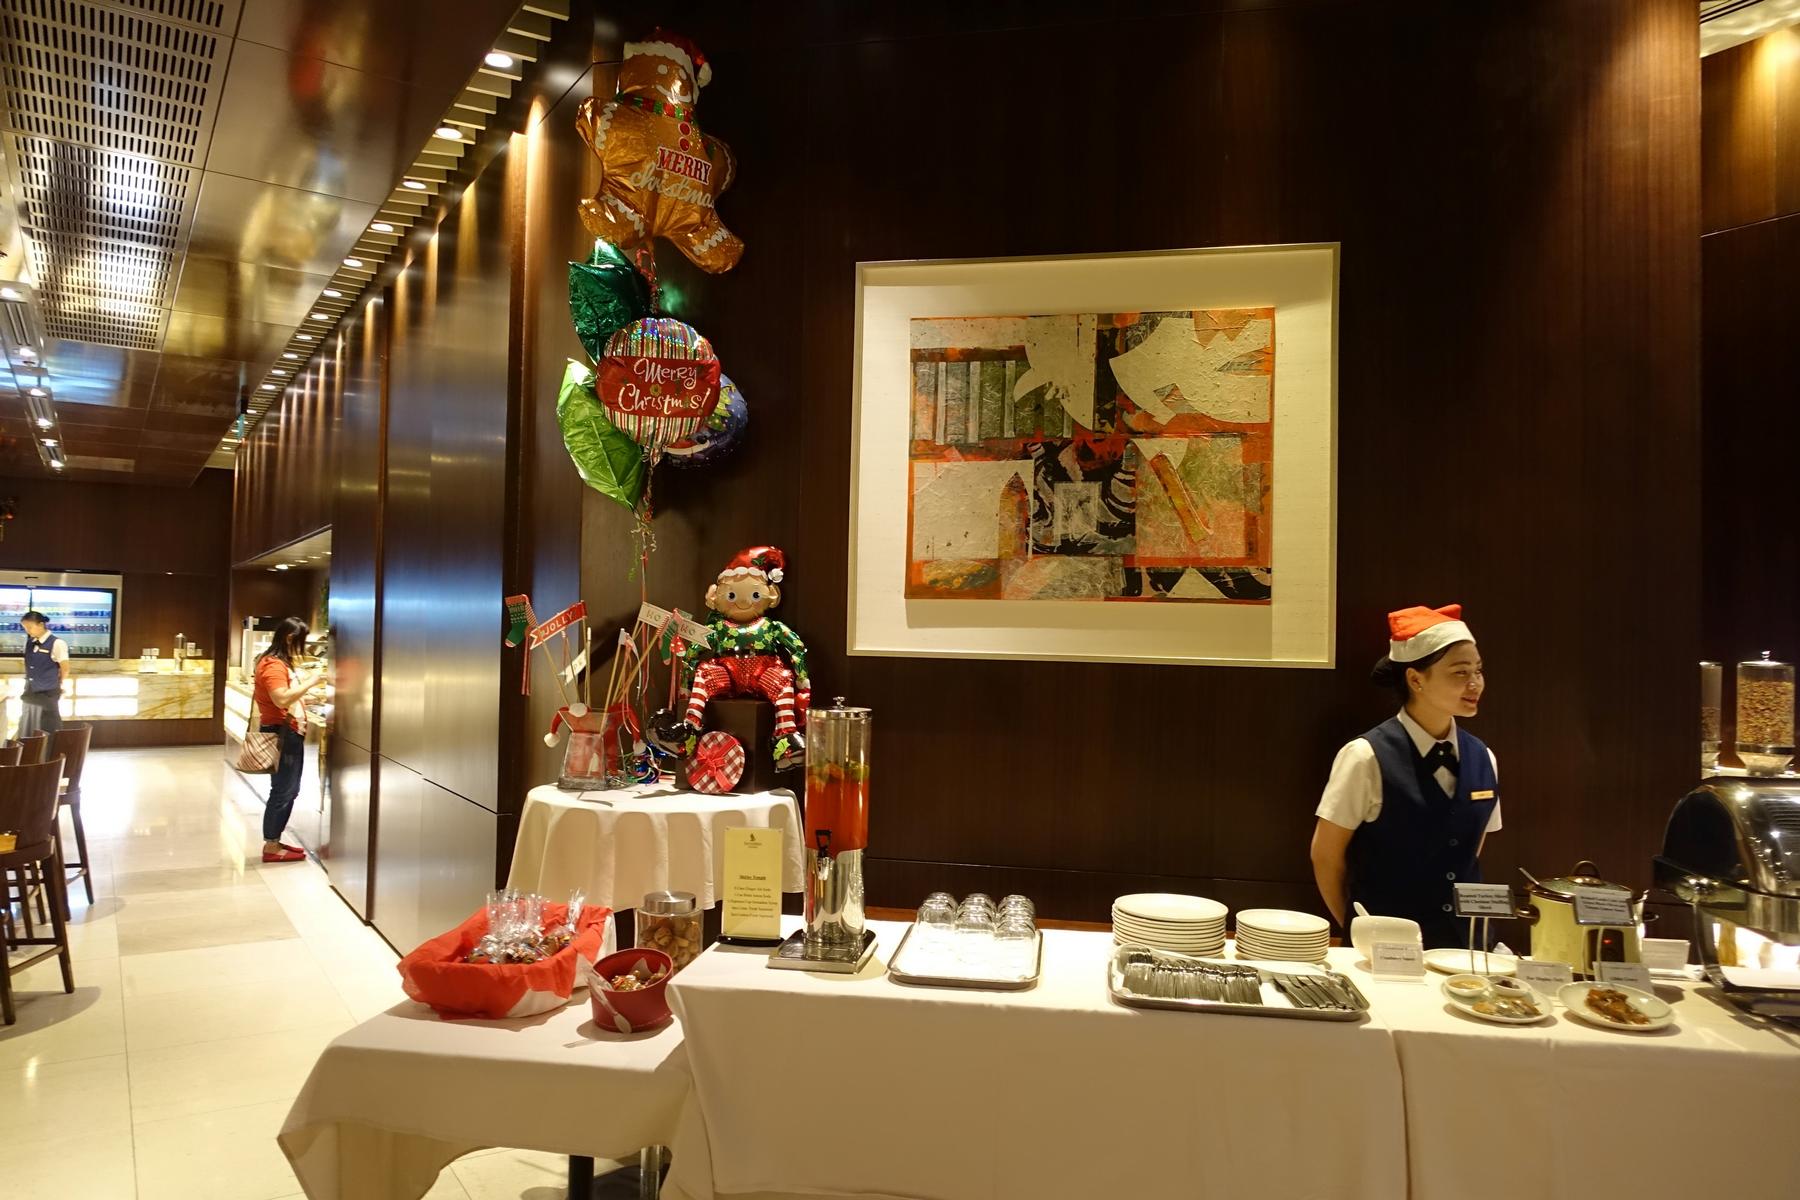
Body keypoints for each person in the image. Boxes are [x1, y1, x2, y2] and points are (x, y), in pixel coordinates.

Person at [1309, 604, 1502, 949]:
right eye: (1460, 673)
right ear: (1416, 679)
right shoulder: (1365, 756)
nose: (1475, 683)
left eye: (1479, 671)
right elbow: (1325, 856)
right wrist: (1358, 929)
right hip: (1383, 949)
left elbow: (1470, 851)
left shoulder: (1484, 758)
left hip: (1464, 951)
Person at [253, 617, 323, 864]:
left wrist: (307, 699)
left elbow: (283, 700)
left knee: (287, 789)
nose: (302, 649)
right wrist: (312, 681)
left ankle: (274, 840)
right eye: (301, 643)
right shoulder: (273, 665)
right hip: (283, 735)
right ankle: (271, 845)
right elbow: (281, 699)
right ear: (290, 638)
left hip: (286, 732)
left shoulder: (274, 661)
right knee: (284, 790)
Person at [16, 610, 67, 738]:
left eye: (29, 627)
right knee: (29, 723)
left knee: (49, 724)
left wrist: (58, 683)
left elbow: (65, 668)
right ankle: (32, 753)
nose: (27, 630)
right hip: (31, 690)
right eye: (25, 628)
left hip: (48, 691)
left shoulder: (57, 643)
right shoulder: (30, 642)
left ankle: (50, 754)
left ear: (40, 624)